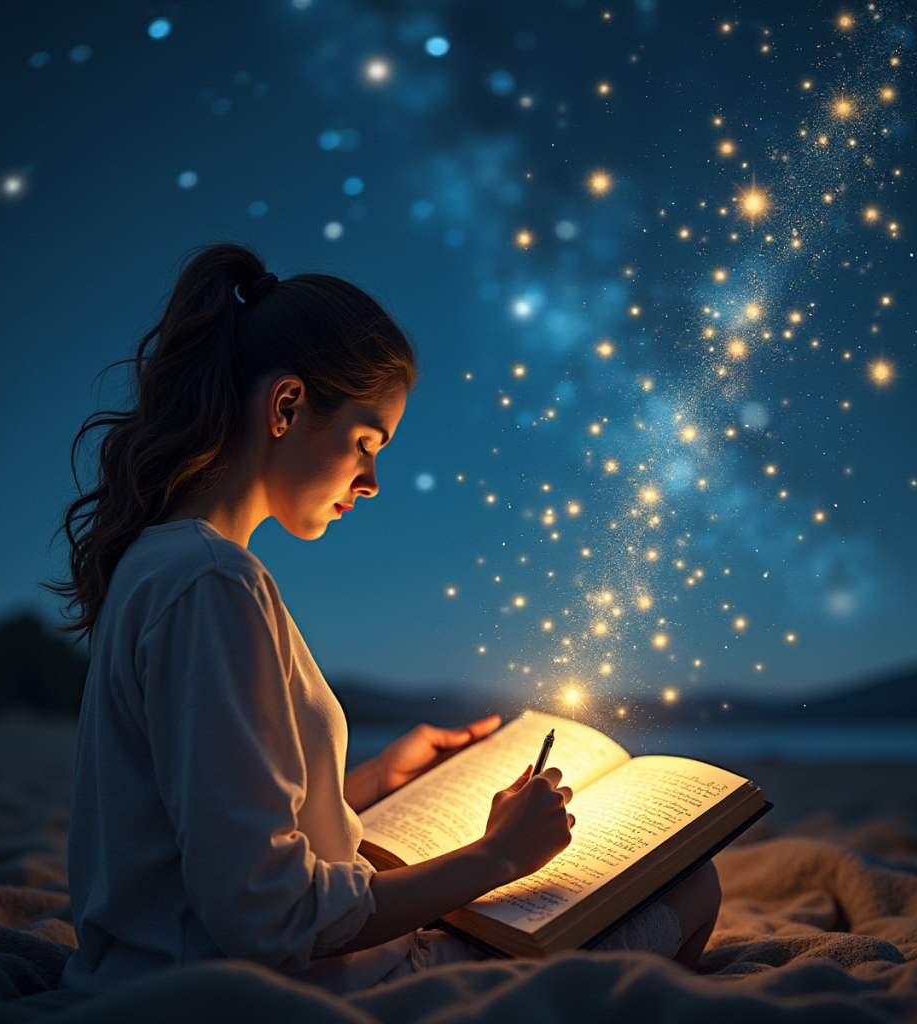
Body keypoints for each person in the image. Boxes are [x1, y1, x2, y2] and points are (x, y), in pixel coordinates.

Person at [54, 242, 720, 994]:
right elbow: (266, 917)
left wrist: (372, 783)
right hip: (274, 991)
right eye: (366, 443)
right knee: (691, 889)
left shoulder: (162, 563)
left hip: (157, 969)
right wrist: (497, 858)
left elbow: (209, 813)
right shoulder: (214, 583)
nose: (371, 482)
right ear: (286, 406)